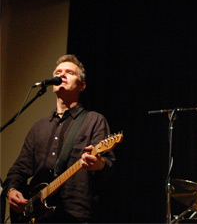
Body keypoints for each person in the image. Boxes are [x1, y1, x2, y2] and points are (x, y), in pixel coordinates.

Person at [3, 54, 115, 223]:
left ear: (82, 85)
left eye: (69, 72)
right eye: (58, 72)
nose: (62, 75)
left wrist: (98, 164)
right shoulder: (39, 127)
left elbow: (109, 165)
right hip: (38, 217)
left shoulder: (94, 120)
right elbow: (19, 168)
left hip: (76, 215)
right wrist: (11, 191)